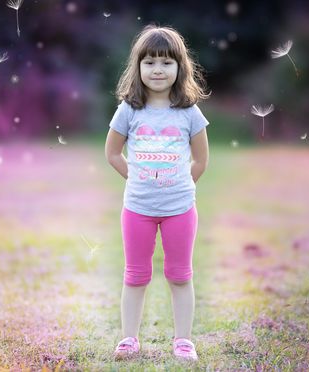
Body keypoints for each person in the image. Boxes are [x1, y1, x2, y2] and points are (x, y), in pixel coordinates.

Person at [104, 24, 210, 362]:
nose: (158, 69)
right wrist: (136, 180)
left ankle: (183, 341)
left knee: (180, 275)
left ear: (180, 67)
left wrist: (179, 186)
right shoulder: (129, 110)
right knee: (136, 275)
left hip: (180, 208)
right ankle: (129, 340)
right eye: (149, 62)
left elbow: (202, 159)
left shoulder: (189, 113)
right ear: (137, 67)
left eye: (166, 62)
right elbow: (112, 153)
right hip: (137, 208)